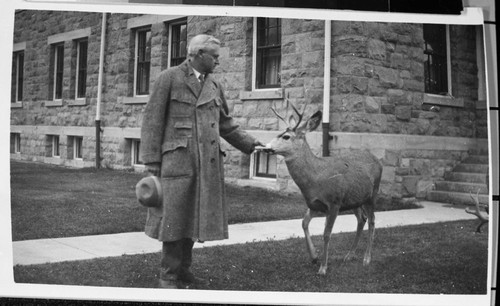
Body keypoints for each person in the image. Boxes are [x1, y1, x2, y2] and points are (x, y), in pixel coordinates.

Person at [140, 34, 263, 289]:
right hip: (177, 163)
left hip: (206, 166)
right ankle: (168, 275)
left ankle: (183, 271)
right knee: (174, 221)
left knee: (194, 220)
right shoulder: (170, 78)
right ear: (198, 55)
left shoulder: (215, 86)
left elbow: (226, 125)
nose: (218, 61)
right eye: (214, 57)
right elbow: (152, 120)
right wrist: (152, 161)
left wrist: (251, 144)